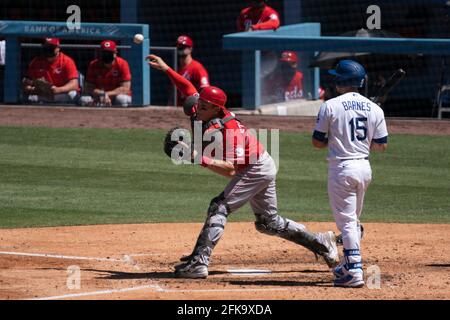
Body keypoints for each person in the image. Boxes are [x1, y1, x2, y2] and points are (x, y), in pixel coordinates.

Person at [147, 54, 339, 279]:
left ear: (218, 109)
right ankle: (322, 242)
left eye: (205, 106)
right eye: (199, 103)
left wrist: (197, 158)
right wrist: (167, 68)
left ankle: (199, 263)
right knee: (268, 223)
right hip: (259, 164)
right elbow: (187, 87)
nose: (198, 108)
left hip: (256, 168)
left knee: (219, 206)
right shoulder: (197, 108)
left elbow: (230, 169)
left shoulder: (231, 131)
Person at [311, 60, 388, 288]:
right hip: (364, 169)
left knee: (347, 222)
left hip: (342, 169)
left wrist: (339, 140)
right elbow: (381, 146)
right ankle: (347, 264)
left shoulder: (330, 106)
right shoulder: (375, 109)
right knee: (352, 220)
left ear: (339, 81)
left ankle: (354, 270)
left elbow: (317, 142)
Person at [22, 38, 79, 104]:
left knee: (72, 94)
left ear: (58, 48)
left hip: (60, 94)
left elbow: (74, 84)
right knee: (30, 98)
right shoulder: (36, 61)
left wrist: (58, 90)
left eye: (51, 47)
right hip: (42, 96)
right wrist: (35, 90)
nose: (48, 50)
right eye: (46, 47)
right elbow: (26, 84)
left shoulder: (67, 61)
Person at [80, 40, 132, 107]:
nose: (107, 55)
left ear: (115, 53)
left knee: (122, 99)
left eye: (109, 53)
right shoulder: (93, 64)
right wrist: (101, 94)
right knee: (84, 99)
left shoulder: (122, 64)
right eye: (104, 52)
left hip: (116, 96)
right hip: (98, 96)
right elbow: (88, 87)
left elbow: (125, 88)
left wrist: (107, 94)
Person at [174, 35, 209, 106]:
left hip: (193, 107)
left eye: (183, 47)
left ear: (190, 49)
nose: (181, 49)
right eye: (179, 47)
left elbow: (205, 89)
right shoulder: (176, 68)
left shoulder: (197, 67)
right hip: (178, 107)